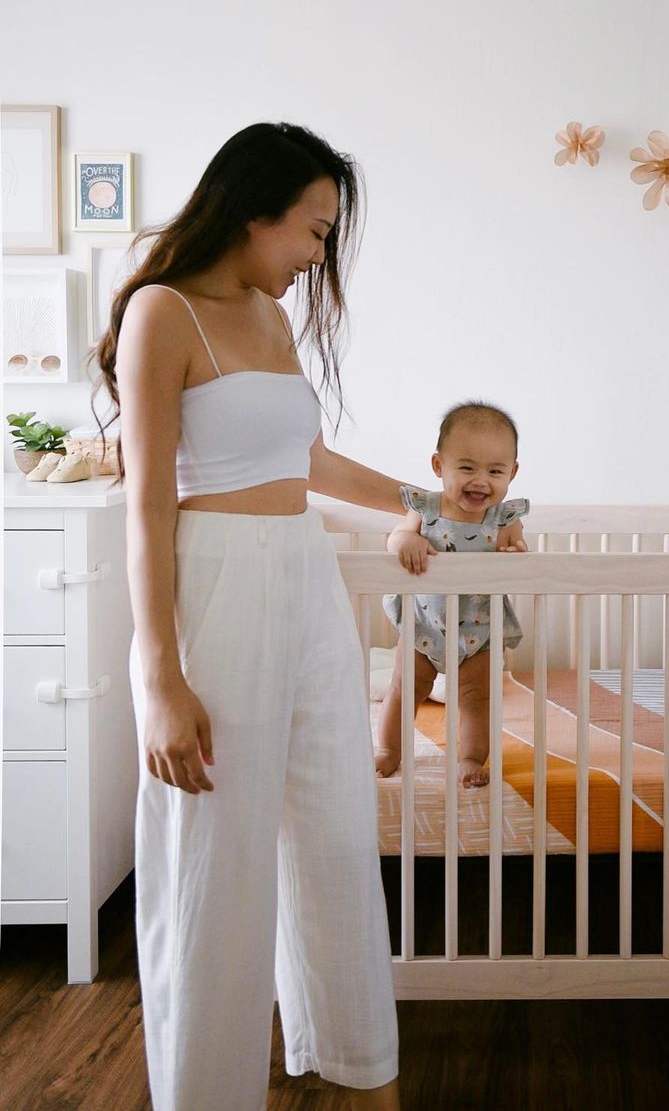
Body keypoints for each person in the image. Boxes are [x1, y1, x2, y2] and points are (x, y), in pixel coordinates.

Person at [95, 122, 401, 1111]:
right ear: (254, 210)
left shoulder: (271, 317)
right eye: (313, 230)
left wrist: (428, 504)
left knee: (337, 830)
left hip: (306, 573)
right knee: (215, 857)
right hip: (216, 581)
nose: (318, 254)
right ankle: (205, 1092)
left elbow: (302, 460)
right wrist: (159, 674)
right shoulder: (163, 311)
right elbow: (147, 499)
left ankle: (355, 1063)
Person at [376, 401, 528, 788]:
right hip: (423, 624)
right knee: (404, 689)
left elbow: (518, 554)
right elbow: (395, 537)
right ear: (439, 466)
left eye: (495, 471)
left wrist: (514, 555)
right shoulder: (425, 508)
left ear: (512, 472)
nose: (481, 480)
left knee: (476, 698)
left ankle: (470, 757)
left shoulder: (505, 519)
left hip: (479, 629)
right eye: (467, 467)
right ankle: (389, 751)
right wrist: (406, 539)